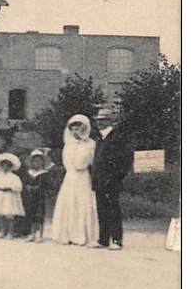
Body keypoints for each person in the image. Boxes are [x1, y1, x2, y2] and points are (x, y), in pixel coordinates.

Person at [51, 115, 99, 246]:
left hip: (83, 177)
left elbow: (88, 162)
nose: (76, 131)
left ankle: (82, 235)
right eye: (73, 128)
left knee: (82, 203)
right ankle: (67, 235)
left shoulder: (90, 144)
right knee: (69, 203)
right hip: (70, 177)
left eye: (79, 127)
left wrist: (81, 163)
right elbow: (66, 162)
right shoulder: (68, 145)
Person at [92, 107, 132, 250]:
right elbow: (96, 161)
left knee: (113, 210)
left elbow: (125, 161)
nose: (100, 123)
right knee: (101, 209)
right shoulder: (99, 139)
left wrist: (116, 178)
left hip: (111, 180)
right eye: (98, 120)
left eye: (103, 120)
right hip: (99, 181)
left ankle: (116, 240)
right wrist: (95, 180)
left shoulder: (117, 138)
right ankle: (103, 240)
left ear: (110, 121)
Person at [19, 149, 54, 241]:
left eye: (39, 161)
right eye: (35, 161)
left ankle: (40, 235)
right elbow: (24, 183)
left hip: (40, 197)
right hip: (30, 197)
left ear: (42, 162)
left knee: (40, 215)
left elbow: (48, 186)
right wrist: (28, 187)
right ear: (31, 162)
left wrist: (39, 189)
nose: (37, 163)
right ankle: (32, 233)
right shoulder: (29, 173)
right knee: (30, 214)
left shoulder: (45, 174)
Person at [0, 153, 25, 239]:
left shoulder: (14, 177)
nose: (5, 167)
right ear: (0, 166)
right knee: (2, 215)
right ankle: (3, 231)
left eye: (7, 165)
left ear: (10, 166)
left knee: (9, 215)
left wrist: (10, 188)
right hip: (0, 196)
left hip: (9, 196)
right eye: (3, 165)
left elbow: (18, 187)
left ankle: (10, 232)